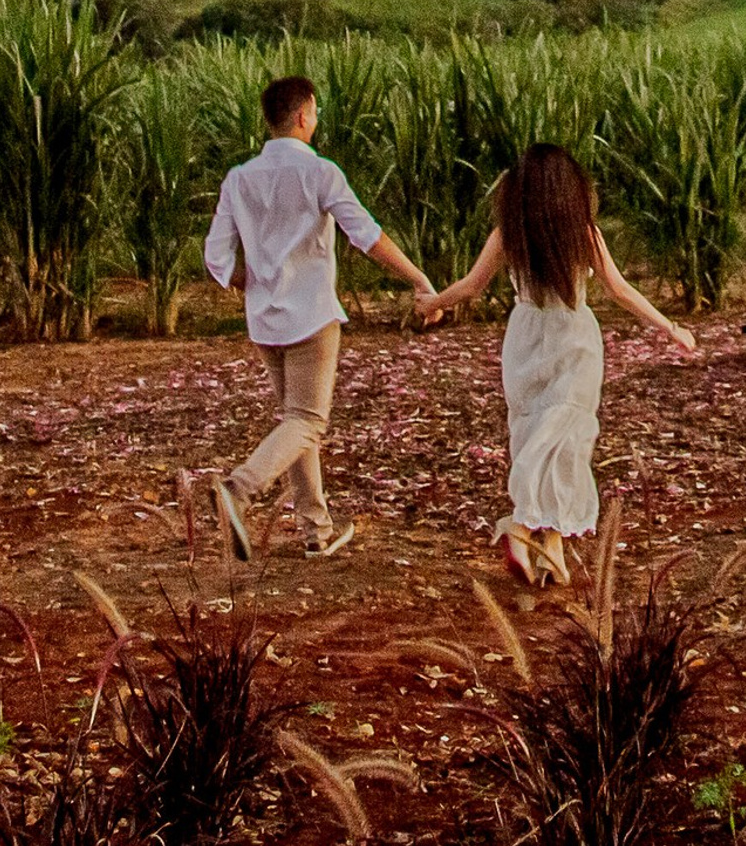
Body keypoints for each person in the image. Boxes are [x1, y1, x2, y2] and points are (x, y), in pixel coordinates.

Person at [419, 142, 696, 586]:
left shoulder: (510, 233)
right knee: (564, 441)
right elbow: (620, 290)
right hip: (573, 341)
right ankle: (523, 527)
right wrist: (670, 328)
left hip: (525, 340)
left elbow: (471, 286)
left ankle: (551, 546)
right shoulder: (583, 233)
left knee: (535, 434)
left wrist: (432, 303)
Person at [203, 71, 434, 563]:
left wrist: (253, 282)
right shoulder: (320, 172)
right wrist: (418, 279)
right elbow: (367, 237)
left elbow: (216, 260)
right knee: (308, 420)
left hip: (265, 319)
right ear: (304, 115)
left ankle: (316, 529)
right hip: (311, 315)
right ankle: (237, 491)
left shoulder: (239, 178)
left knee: (295, 420)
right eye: (316, 112)